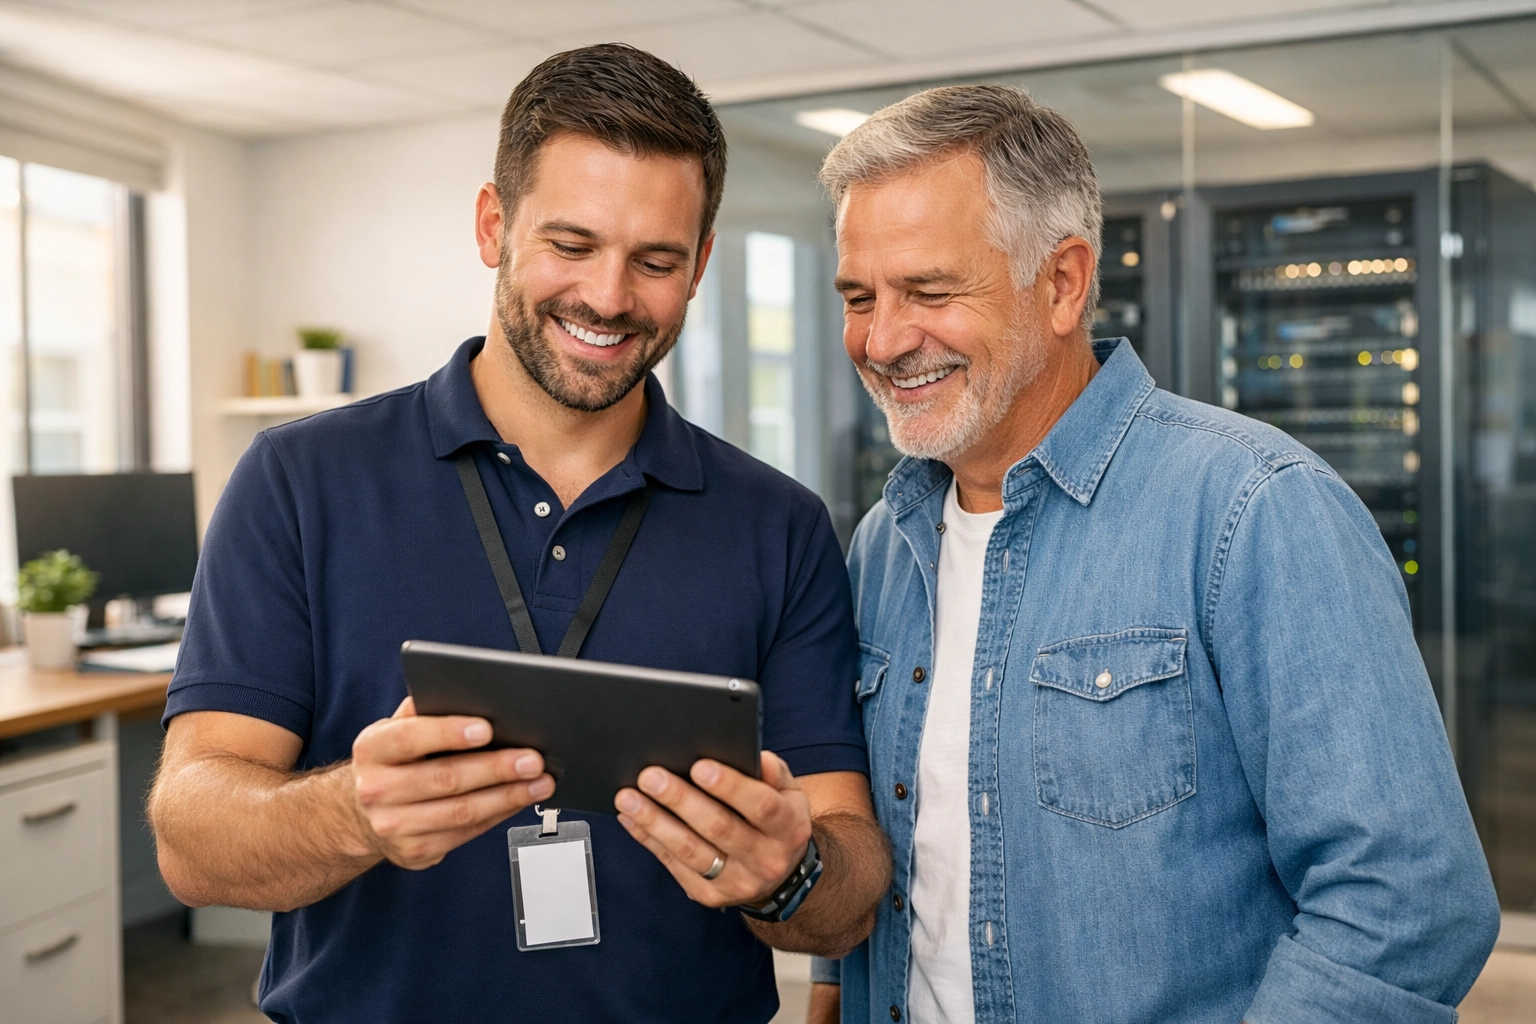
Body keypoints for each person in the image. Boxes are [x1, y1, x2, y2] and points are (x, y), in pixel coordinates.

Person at [148, 43, 889, 1024]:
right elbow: (191, 838)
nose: (611, 297)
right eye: (571, 244)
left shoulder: (780, 524)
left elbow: (850, 879)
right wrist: (352, 811)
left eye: (656, 260)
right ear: (494, 224)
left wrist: (786, 871)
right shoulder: (299, 480)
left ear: (701, 263)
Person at [808, 85, 1500, 1024]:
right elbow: (905, 861)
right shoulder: (885, 545)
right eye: (860, 297)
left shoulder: (1255, 510)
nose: (884, 339)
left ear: (1062, 283)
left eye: (929, 291)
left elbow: (1408, 904)